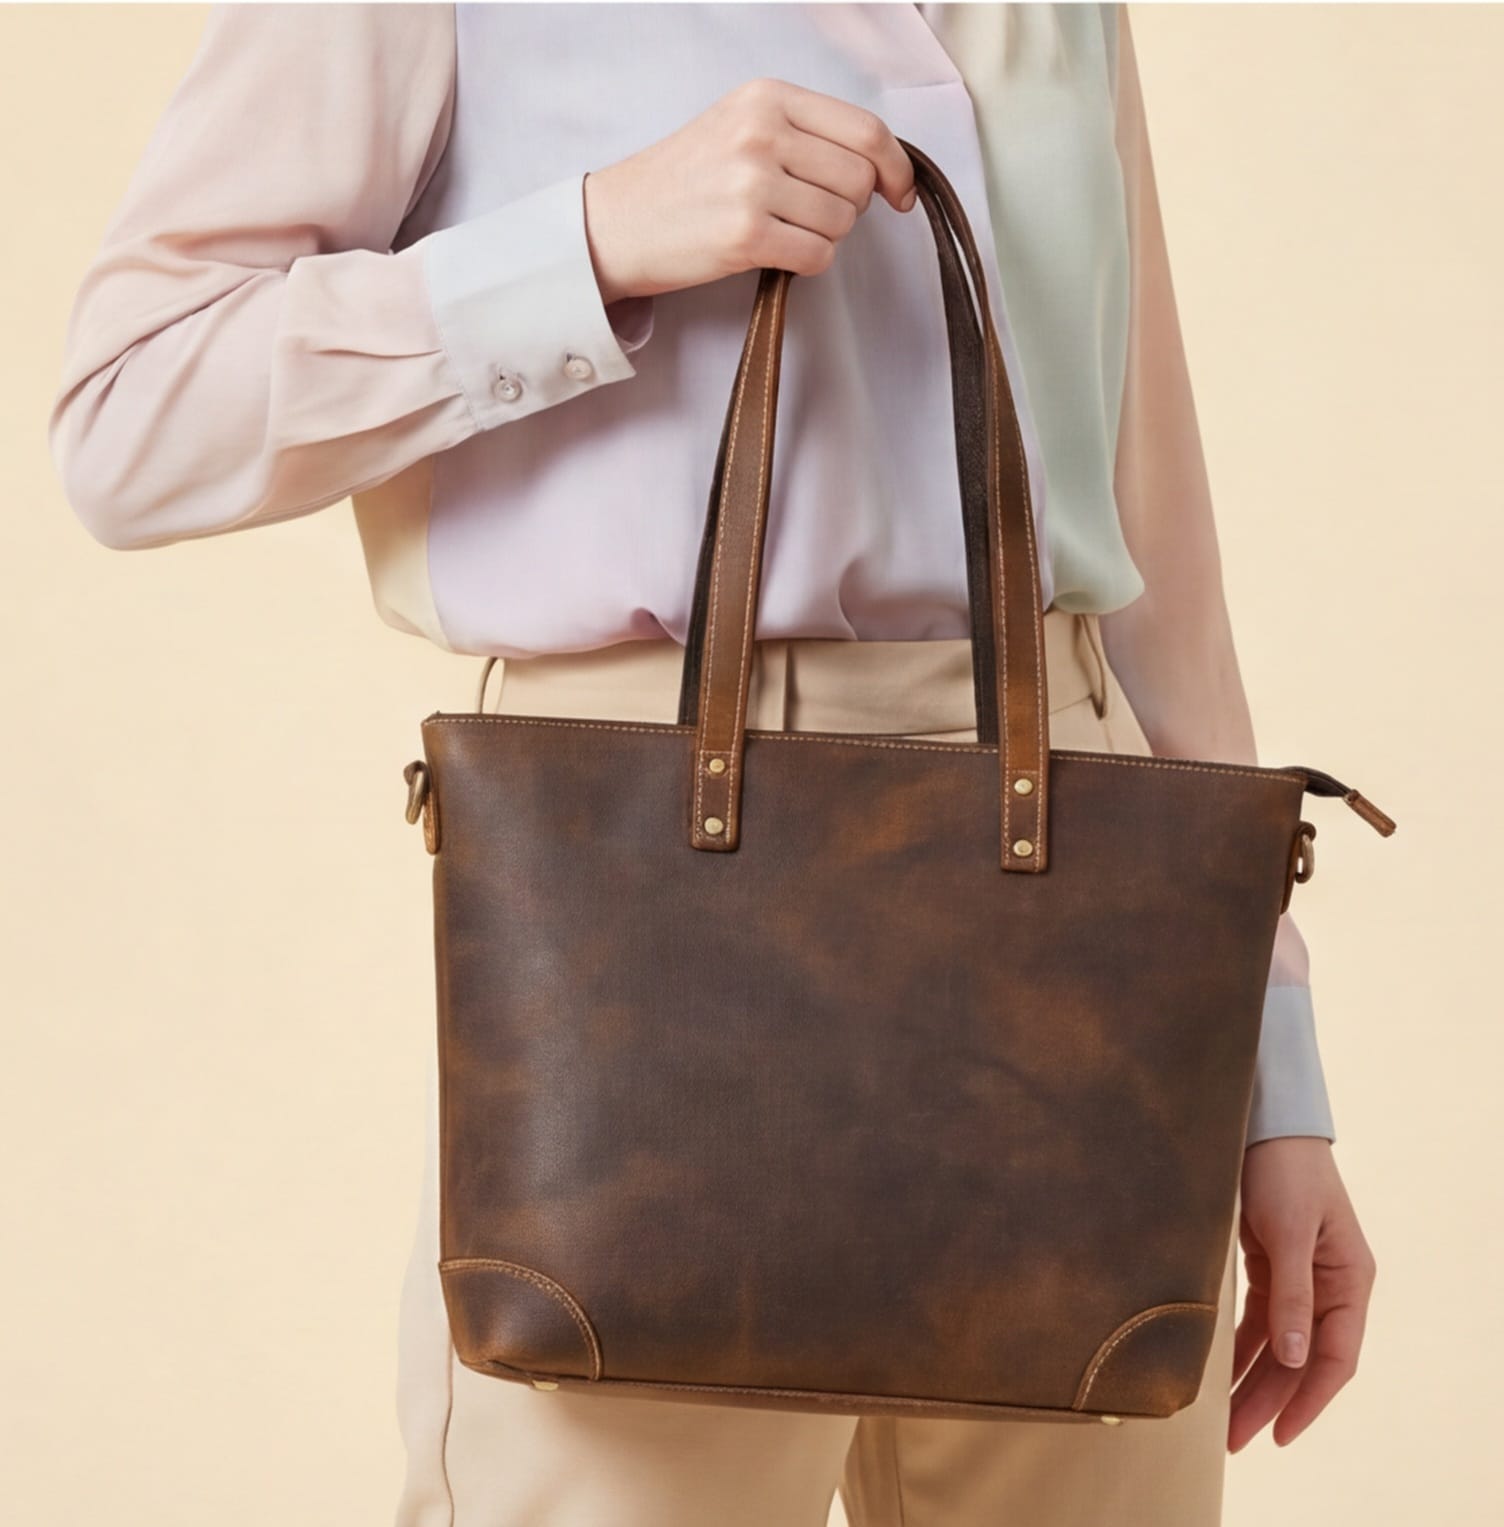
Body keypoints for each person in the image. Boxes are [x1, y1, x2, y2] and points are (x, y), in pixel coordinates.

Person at [49, 5, 1376, 1524]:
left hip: (1086, 911)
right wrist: (590, 243)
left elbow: (1155, 557)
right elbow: (128, 415)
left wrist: (1273, 1079)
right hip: (650, 920)